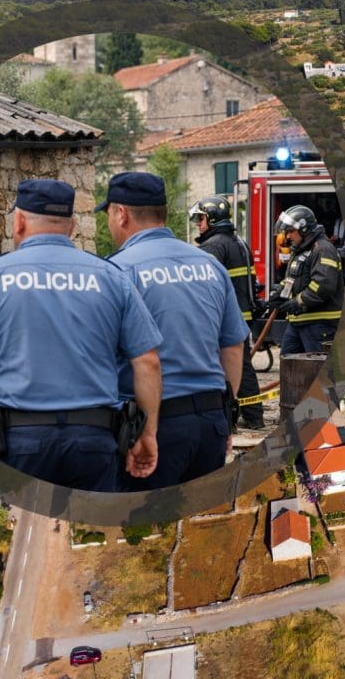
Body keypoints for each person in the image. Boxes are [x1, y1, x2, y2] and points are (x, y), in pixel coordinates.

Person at [0, 179, 162, 492]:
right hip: (94, 442)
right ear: (71, 226)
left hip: (19, 445)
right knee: (92, 537)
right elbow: (148, 361)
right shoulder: (111, 276)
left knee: (24, 537)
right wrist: (148, 433)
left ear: (18, 221)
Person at [101, 173, 248, 490]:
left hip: (151, 429)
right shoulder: (209, 265)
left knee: (146, 531)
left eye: (110, 214)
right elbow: (234, 346)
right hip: (210, 422)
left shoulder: (116, 271)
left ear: (121, 214)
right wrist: (226, 418)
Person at [190, 196, 263, 429]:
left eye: (201, 219)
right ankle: (252, 416)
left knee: (226, 367)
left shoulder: (213, 246)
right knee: (243, 366)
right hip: (243, 314)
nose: (198, 224)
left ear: (212, 218)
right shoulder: (238, 242)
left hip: (224, 317)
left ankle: (233, 418)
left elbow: (204, 285)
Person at [266, 205, 343, 354]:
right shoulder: (301, 250)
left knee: (315, 370)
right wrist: (279, 294)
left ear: (304, 228)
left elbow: (323, 286)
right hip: (298, 323)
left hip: (320, 325)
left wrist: (297, 302)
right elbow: (291, 280)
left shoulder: (323, 249)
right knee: (289, 366)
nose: (287, 237)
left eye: (290, 232)